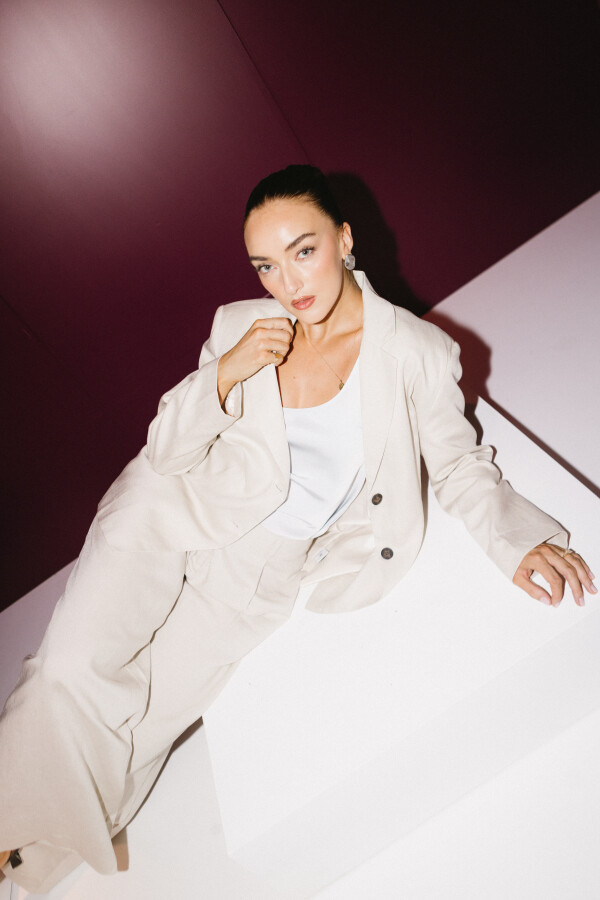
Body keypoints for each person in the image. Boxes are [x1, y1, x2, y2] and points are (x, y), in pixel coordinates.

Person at [0, 164, 595, 893]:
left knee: (145, 721)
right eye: (266, 265)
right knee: (66, 673)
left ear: (343, 240)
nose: (287, 282)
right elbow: (168, 451)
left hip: (255, 577)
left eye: (303, 251)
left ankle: (34, 854)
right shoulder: (240, 326)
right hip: (162, 517)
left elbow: (458, 462)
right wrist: (225, 374)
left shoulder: (415, 353)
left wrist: (519, 538)